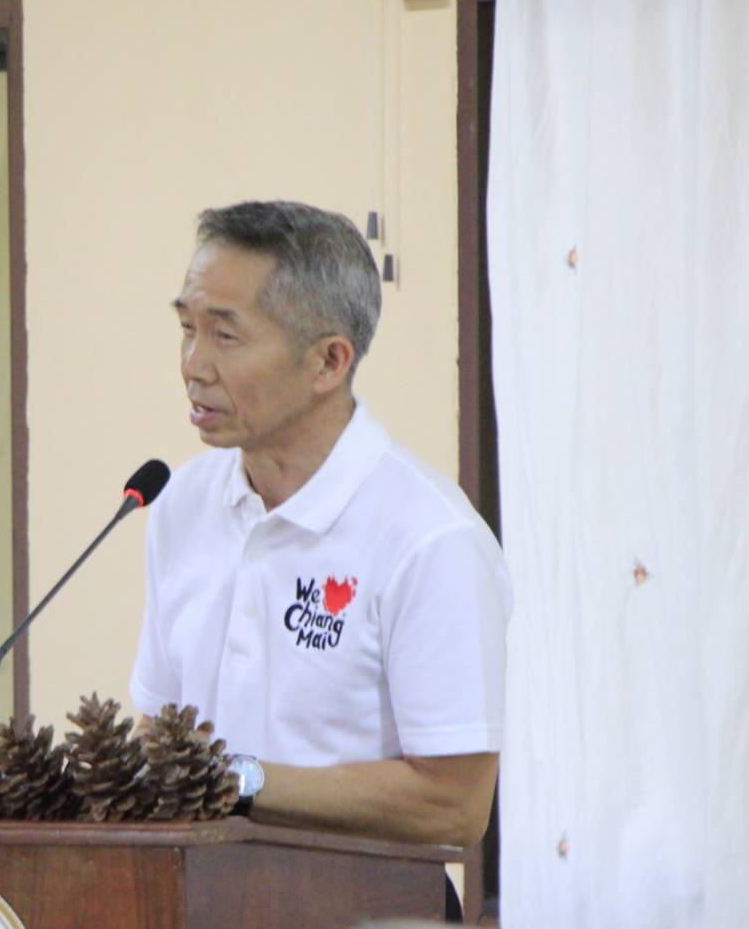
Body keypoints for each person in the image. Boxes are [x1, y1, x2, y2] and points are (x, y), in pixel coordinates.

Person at [130, 200, 511, 861]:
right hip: (199, 896)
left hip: (361, 902)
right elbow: (156, 733)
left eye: (225, 336)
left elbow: (454, 803)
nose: (193, 364)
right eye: (187, 328)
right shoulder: (180, 503)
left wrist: (242, 782)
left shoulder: (429, 538)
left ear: (328, 362)